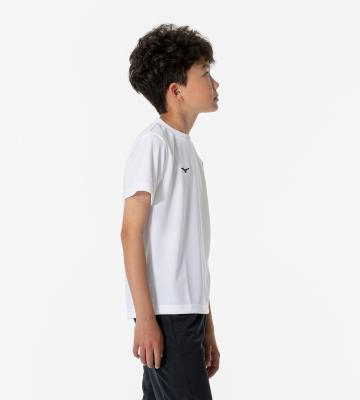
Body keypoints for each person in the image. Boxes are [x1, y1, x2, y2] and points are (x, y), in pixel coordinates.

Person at [120, 23, 220, 399]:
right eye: (205, 74)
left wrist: (207, 324)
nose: (215, 83)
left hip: (187, 313)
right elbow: (130, 232)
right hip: (167, 315)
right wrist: (145, 318)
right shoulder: (154, 145)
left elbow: (191, 250)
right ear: (176, 91)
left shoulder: (188, 150)